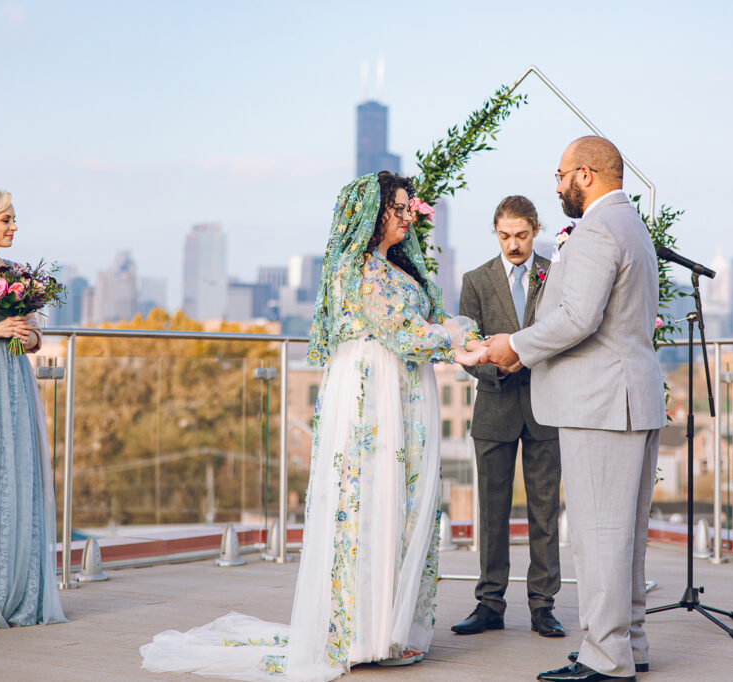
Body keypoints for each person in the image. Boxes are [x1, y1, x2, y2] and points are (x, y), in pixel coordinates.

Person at [141, 171, 484, 681]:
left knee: (402, 502)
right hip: (373, 394)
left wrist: (461, 330)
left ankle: (394, 624)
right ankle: (362, 629)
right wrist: (456, 337)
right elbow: (403, 330)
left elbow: (428, 318)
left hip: (406, 393)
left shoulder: (402, 269)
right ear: (370, 214)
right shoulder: (354, 268)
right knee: (367, 499)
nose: (405, 216)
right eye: (397, 208)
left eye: (407, 208)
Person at [482, 137, 667, 682]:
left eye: (561, 175)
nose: (558, 185)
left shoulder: (596, 230)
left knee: (599, 535)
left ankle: (606, 659)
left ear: (584, 174)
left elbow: (577, 318)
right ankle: (629, 642)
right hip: (631, 398)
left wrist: (514, 347)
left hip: (600, 405)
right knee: (625, 535)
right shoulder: (632, 224)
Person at [451, 195, 564, 638]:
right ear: (495, 232)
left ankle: (543, 607)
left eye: (520, 235)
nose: (513, 244)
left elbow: (563, 334)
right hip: (494, 406)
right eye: (504, 236)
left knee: (545, 513)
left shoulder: (556, 274)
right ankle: (489, 604)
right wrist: (496, 363)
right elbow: (467, 347)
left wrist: (524, 355)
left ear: (536, 229)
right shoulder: (475, 280)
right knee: (492, 513)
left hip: (545, 406)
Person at [0, 188, 66, 630]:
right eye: (6, 219)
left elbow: (33, 335)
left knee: (15, 478)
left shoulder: (15, 273)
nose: (13, 227)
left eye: (14, 220)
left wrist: (29, 337)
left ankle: (18, 591)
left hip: (14, 382)